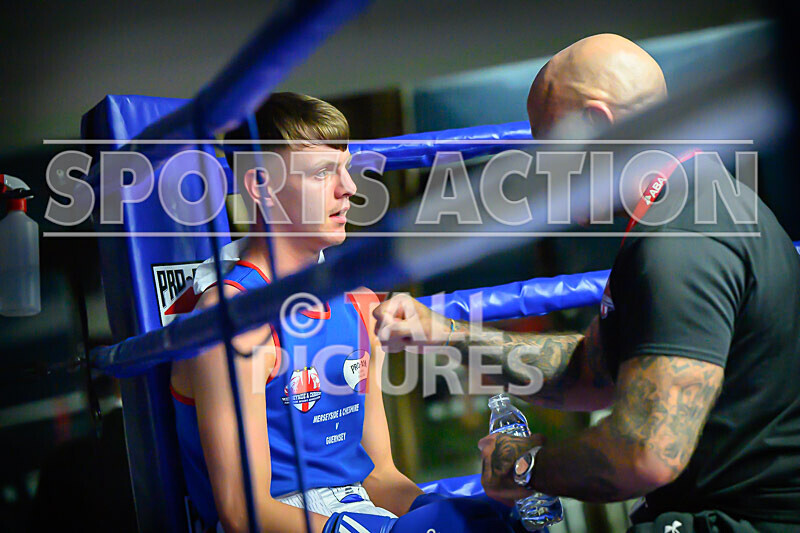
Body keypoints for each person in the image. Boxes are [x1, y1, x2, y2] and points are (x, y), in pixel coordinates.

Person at [375, 34, 800, 531]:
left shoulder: (680, 239)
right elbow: (591, 371)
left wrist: (526, 466)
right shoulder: (692, 200)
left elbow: (647, 453)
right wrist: (444, 334)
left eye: (548, 147)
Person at [169, 93, 423, 533]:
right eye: (323, 172)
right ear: (260, 186)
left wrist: (442, 516)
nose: (349, 188)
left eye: (345, 167)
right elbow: (243, 513)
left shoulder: (362, 305)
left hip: (358, 513)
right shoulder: (232, 320)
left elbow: (379, 476)